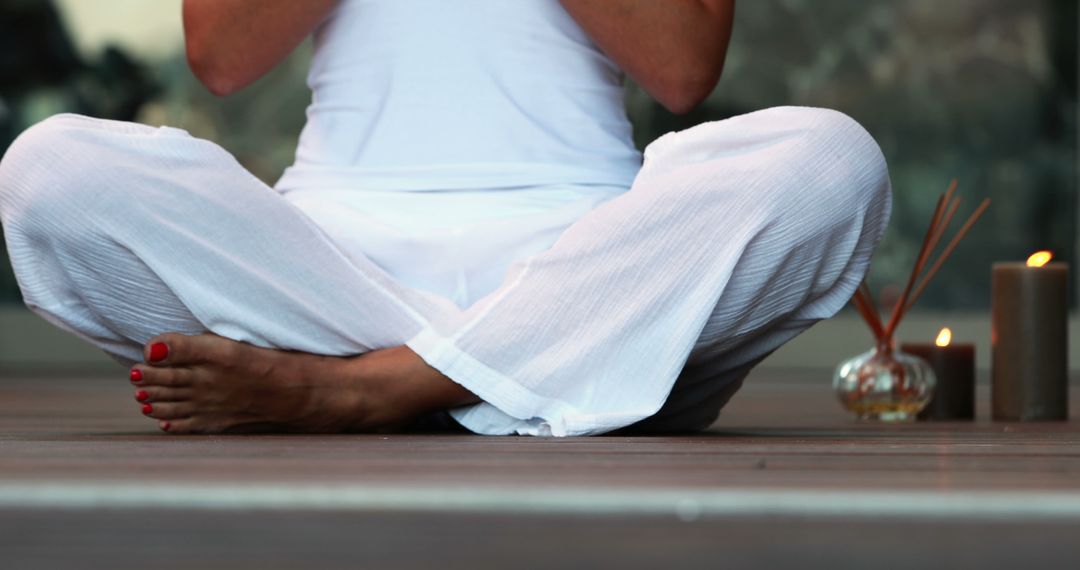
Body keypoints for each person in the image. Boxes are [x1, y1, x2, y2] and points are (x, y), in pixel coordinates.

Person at [0, 0, 891, 436]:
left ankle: (362, 390)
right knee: (48, 173)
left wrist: (338, 384)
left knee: (830, 163)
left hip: (586, 256)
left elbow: (681, 65)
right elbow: (223, 56)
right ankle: (520, 381)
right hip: (326, 273)